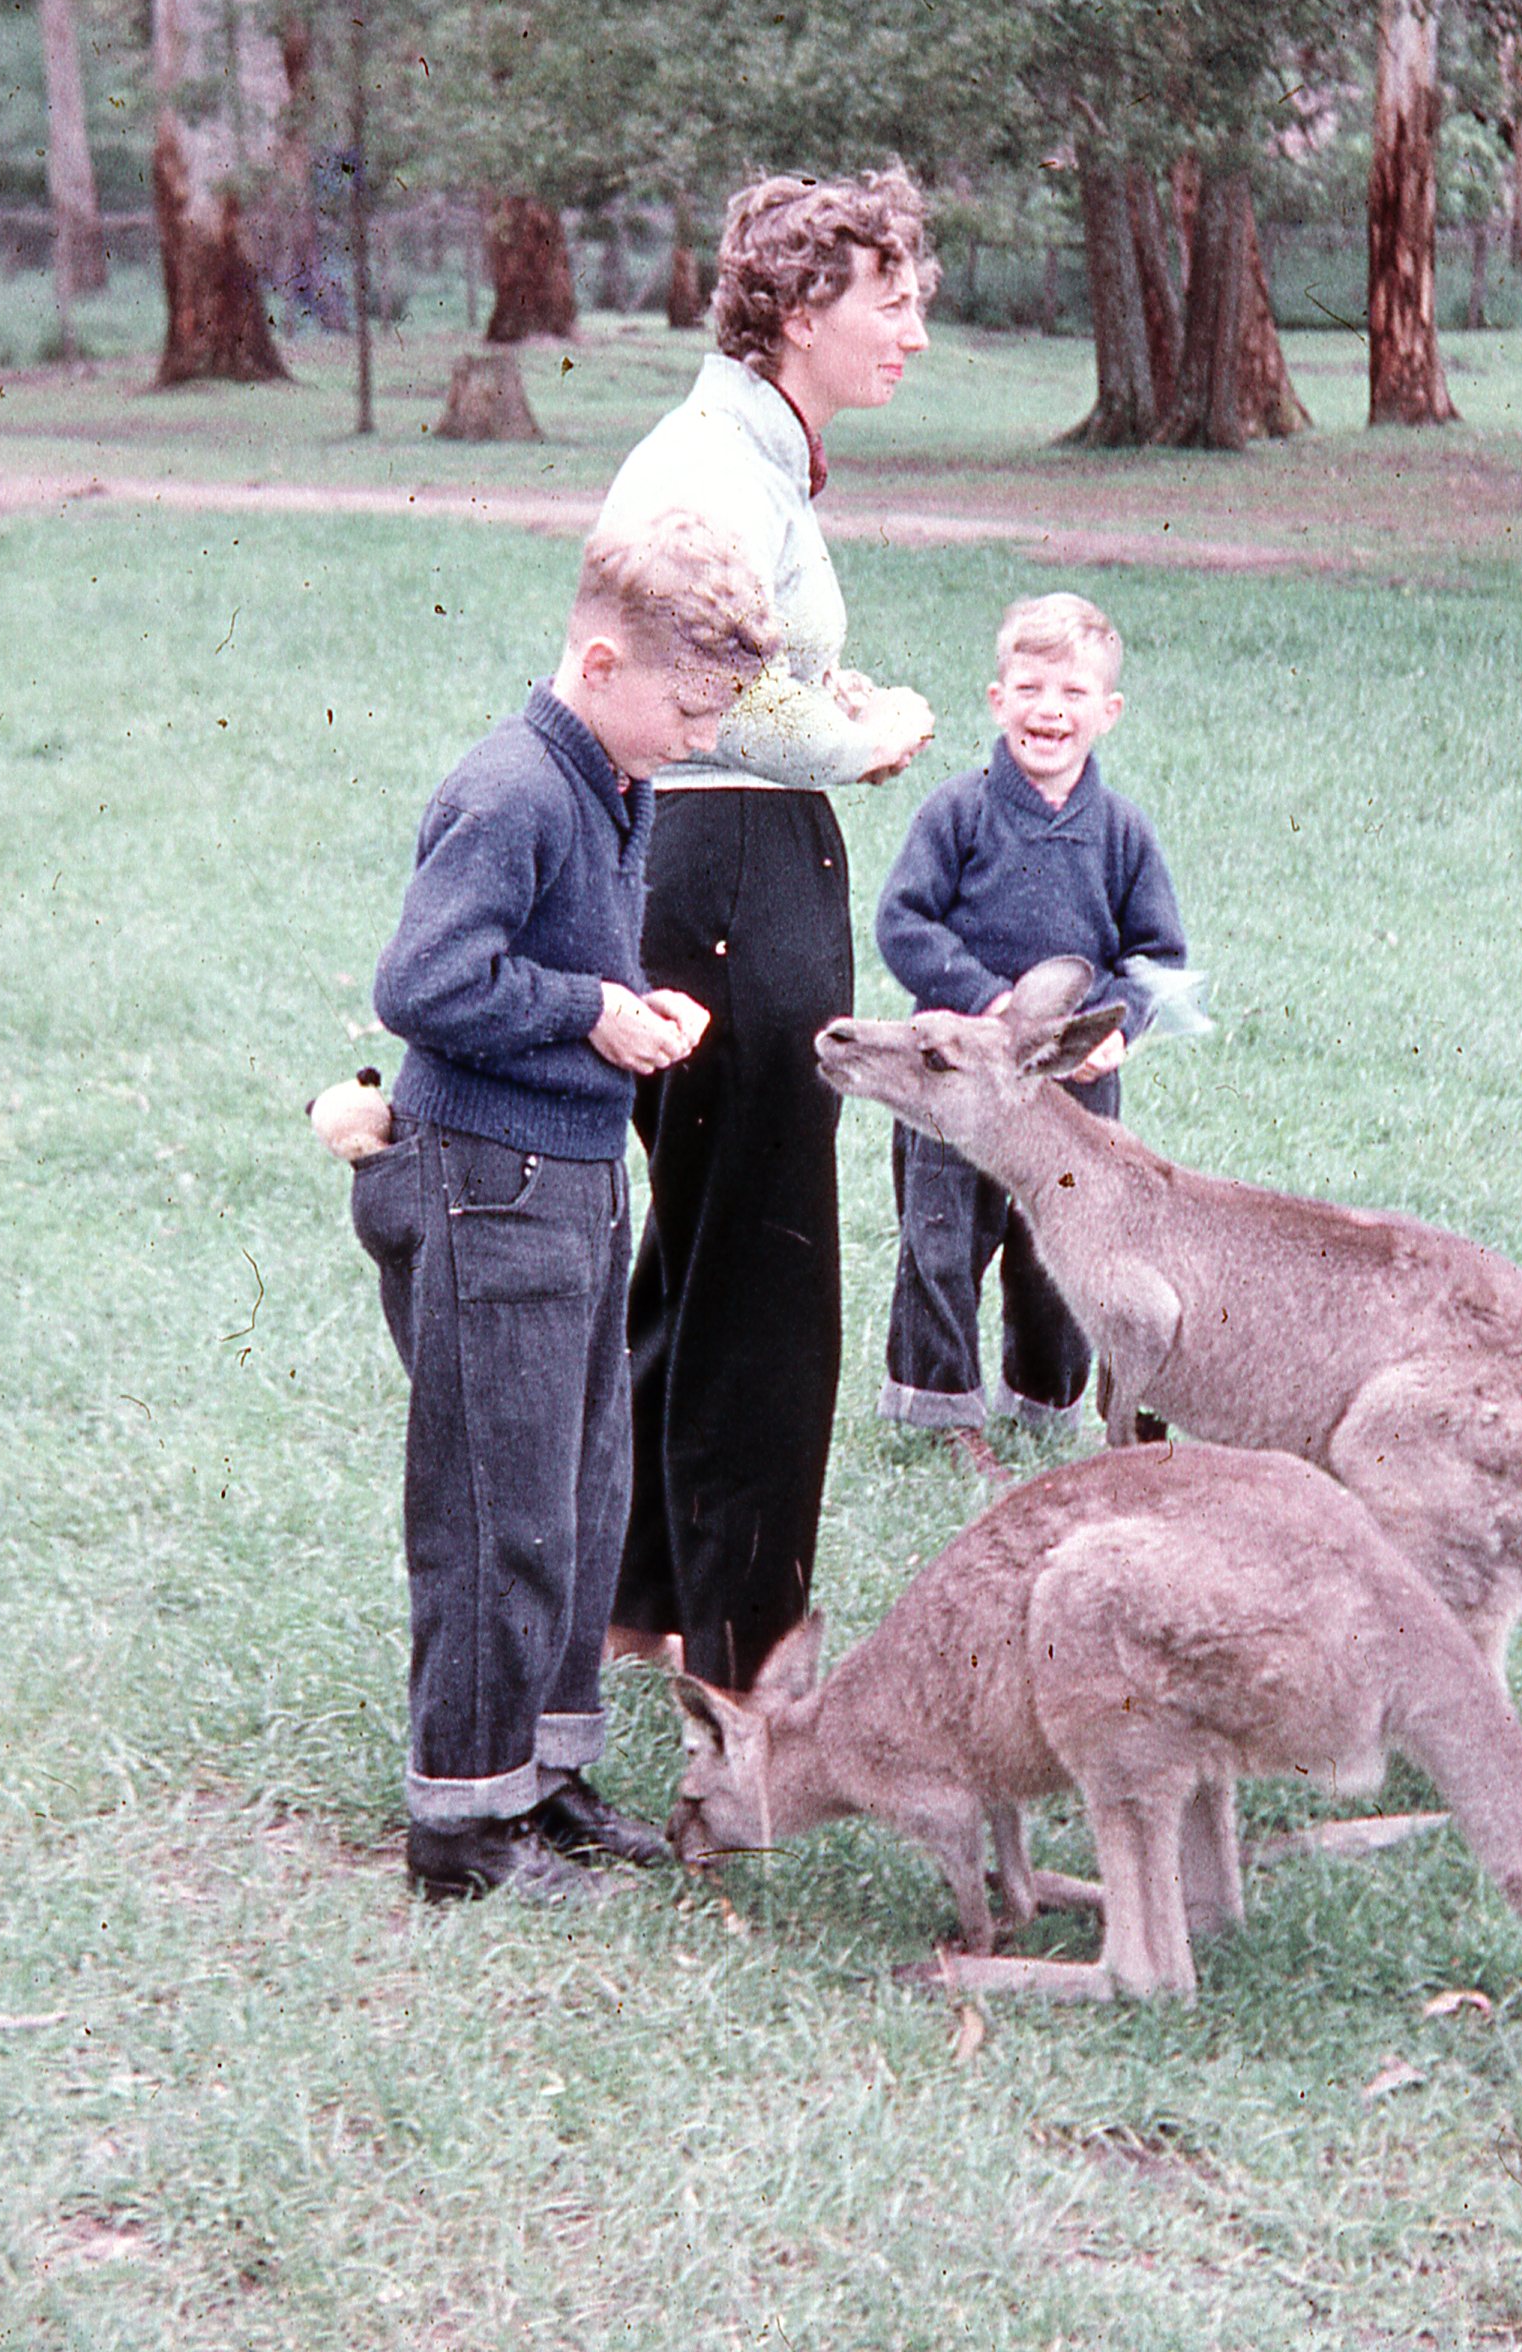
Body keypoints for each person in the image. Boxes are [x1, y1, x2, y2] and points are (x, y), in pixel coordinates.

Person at [351, 512, 779, 1901]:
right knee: (497, 1507)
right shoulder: (519, 789)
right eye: (688, 706)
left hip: (574, 1181)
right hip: (488, 1187)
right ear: (601, 661)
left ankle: (543, 1776)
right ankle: (465, 1828)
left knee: (587, 1490)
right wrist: (592, 1011)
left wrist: (624, 1010)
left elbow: (553, 966)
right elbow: (422, 985)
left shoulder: (612, 778)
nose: (699, 736)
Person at [596, 168, 936, 1694]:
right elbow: (716, 686)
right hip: (729, 879)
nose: (914, 330)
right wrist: (872, 734)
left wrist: (835, 713)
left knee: (708, 1259)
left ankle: (629, 1610)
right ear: (800, 312)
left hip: (723, 866)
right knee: (766, 1291)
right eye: (892, 299)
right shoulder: (718, 468)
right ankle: (743, 1668)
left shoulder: (746, 454)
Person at [873, 589, 1187, 1433]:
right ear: (998, 698)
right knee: (940, 1243)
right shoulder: (959, 813)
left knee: (1070, 1251)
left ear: (1108, 711)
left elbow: (1159, 960)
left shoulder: (1123, 833)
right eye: (1031, 688)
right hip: (954, 1085)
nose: (1050, 710)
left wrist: (1115, 1028)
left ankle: (1045, 1404)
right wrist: (987, 1002)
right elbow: (902, 921)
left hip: (1071, 1095)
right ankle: (935, 1411)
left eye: (1074, 693)